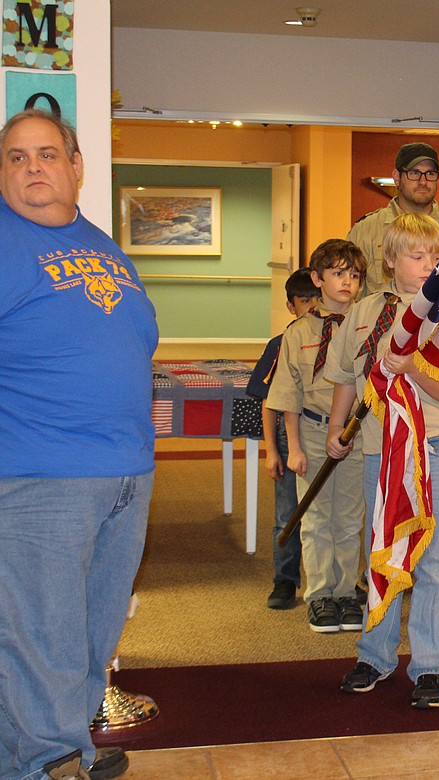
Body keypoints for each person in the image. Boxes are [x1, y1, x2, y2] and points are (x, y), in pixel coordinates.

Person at [0, 109, 157, 780]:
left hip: (125, 470)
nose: (33, 166)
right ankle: (50, 759)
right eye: (15, 157)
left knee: (92, 631)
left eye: (46, 153)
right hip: (42, 473)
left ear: (76, 165)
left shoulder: (98, 243)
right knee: (42, 635)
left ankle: (56, 745)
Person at [326, 213, 439, 709]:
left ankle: (432, 664)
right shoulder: (365, 312)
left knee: (435, 560)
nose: (430, 265)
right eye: (418, 256)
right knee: (383, 552)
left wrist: (412, 366)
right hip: (383, 453)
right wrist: (335, 429)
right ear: (390, 262)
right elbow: (348, 375)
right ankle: (375, 654)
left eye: (437, 257)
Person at [265, 240, 367, 633]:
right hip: (310, 429)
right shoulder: (298, 332)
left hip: (355, 432)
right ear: (317, 279)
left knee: (348, 516)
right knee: (316, 516)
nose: (347, 282)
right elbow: (287, 393)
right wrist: (291, 447)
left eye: (354, 275)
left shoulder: (365, 327)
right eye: (339, 274)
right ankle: (321, 595)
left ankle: (344, 593)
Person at [246, 268, 319, 610]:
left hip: (324, 437)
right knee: (287, 513)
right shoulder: (281, 344)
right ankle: (285, 580)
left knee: (328, 515)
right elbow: (269, 402)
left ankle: (334, 582)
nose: (312, 306)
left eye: (316, 298)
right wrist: (271, 451)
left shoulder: (336, 336)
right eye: (304, 301)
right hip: (289, 441)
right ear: (290, 306)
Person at [347, 142, 439, 296]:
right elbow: (349, 295)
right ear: (397, 177)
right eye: (414, 173)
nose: (423, 181)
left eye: (430, 174)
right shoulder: (366, 231)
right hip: (384, 318)